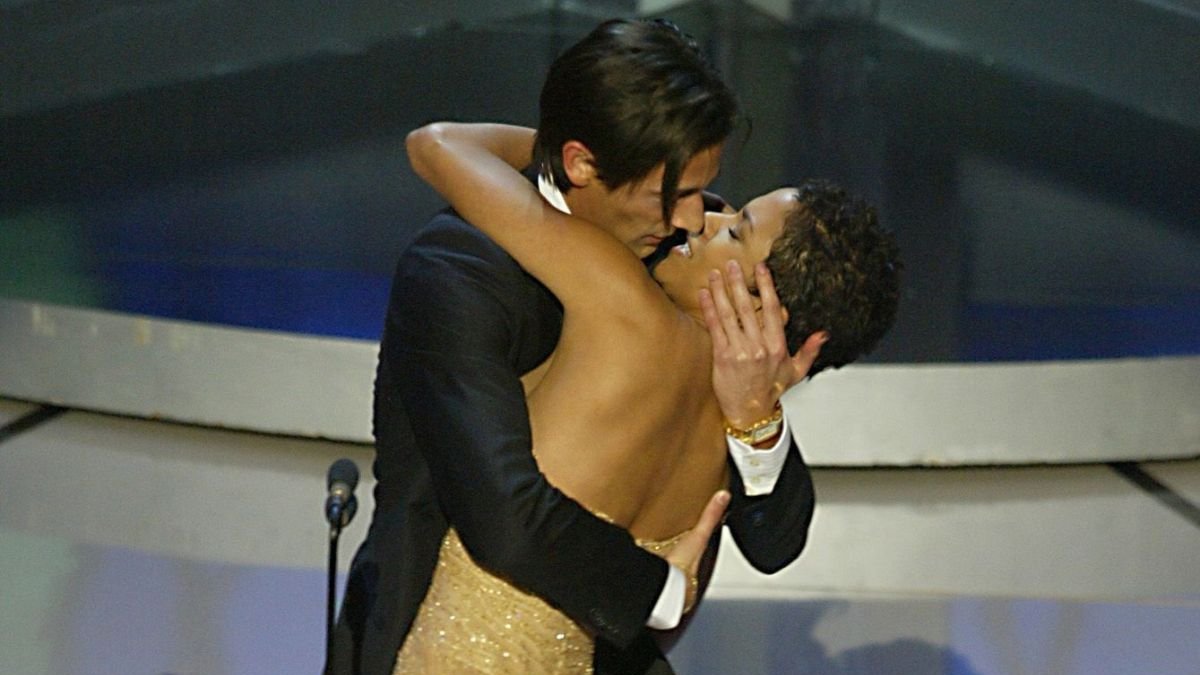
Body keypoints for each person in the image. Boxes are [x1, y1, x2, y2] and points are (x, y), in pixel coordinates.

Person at [327, 19, 824, 675]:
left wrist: (758, 414)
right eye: (670, 194)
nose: (693, 219)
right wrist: (660, 590)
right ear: (583, 163)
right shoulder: (460, 270)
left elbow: (773, 543)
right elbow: (504, 509)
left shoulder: (677, 249)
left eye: (701, 189)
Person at [398, 121, 901, 673]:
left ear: (762, 310)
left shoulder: (620, 299)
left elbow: (439, 145)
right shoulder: (729, 422)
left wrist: (602, 154)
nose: (703, 218)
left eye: (734, 232)